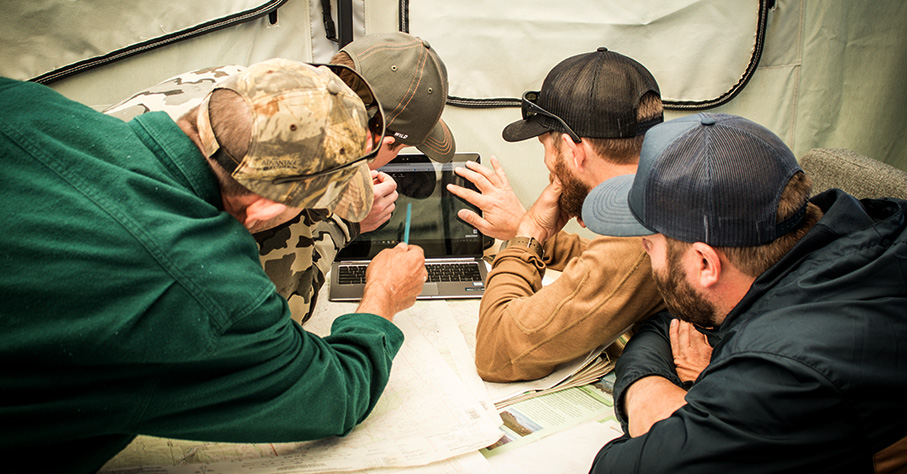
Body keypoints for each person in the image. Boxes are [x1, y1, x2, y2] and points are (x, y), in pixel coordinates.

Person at [0, 58, 427, 474]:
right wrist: (384, 294)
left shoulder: (25, 102)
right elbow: (337, 394)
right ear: (265, 206)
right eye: (313, 206)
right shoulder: (210, 293)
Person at [581, 113, 907, 473]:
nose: (645, 253)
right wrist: (656, 387)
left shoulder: (779, 371)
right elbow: (667, 323)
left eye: (649, 243)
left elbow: (618, 467)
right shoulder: (837, 242)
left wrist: (663, 400)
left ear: (706, 263)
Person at [106, 32, 455, 324]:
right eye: (400, 149)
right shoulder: (282, 183)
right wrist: (346, 222)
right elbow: (285, 314)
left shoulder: (239, 80)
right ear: (382, 141)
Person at [446, 48, 666, 382]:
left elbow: (497, 352)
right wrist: (529, 230)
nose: (549, 163)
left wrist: (527, 237)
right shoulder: (663, 190)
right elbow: (606, 264)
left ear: (575, 152)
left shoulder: (640, 234)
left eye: (546, 146)